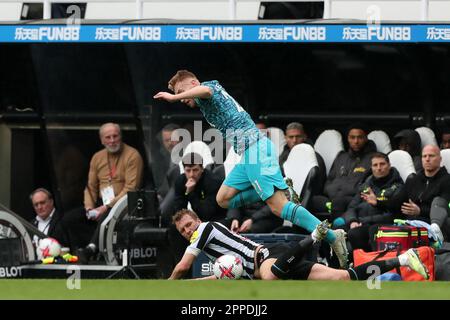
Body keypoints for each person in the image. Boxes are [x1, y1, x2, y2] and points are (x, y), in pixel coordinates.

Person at [154, 69, 349, 268]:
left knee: (278, 207)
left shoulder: (208, 87)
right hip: (247, 156)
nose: (180, 98)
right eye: (177, 94)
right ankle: (283, 188)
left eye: (181, 91)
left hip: (256, 149)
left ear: (193, 83)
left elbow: (204, 90)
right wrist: (179, 93)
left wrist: (173, 96)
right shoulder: (205, 98)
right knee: (223, 199)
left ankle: (333, 236)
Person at [168, 209, 429, 281]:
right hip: (283, 262)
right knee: (343, 279)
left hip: (269, 256)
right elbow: (214, 279)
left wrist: (166, 287)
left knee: (268, 277)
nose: (187, 231)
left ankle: (312, 238)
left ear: (197, 221)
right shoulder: (215, 248)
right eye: (182, 230)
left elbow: (182, 266)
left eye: (188, 225)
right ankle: (405, 259)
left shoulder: (204, 229)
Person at [64, 123, 144, 261]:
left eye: (115, 136)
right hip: (101, 204)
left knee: (106, 216)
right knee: (70, 219)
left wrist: (105, 207)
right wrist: (89, 208)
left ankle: (92, 248)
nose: (112, 140)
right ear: (102, 140)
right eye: (108, 137)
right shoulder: (97, 157)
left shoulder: (133, 155)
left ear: (121, 136)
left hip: (124, 205)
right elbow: (91, 186)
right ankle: (79, 252)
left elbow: (131, 188)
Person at [336, 153, 404, 253]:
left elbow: (393, 215)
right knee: (331, 234)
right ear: (371, 167)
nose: (379, 168)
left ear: (389, 165)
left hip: (378, 225)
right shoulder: (366, 185)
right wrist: (352, 221)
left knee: (355, 234)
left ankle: (362, 265)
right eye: (375, 165)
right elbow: (351, 207)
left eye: (382, 164)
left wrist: (363, 221)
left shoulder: (398, 187)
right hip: (358, 222)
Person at [311, 123, 376, 219]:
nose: (356, 141)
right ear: (348, 139)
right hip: (332, 199)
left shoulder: (374, 158)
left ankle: (336, 232)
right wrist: (331, 191)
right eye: (352, 137)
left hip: (355, 200)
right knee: (311, 200)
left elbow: (372, 184)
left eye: (360, 137)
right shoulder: (341, 156)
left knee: (338, 202)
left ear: (366, 138)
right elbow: (330, 180)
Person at [396, 144, 450, 244]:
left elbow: (444, 208)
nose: (427, 159)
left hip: (433, 225)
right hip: (409, 222)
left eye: (431, 156)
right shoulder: (413, 179)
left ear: (440, 159)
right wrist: (377, 202)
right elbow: (398, 201)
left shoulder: (447, 180)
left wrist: (420, 211)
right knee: (375, 229)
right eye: (424, 156)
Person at [278, 122, 326, 189]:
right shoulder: (282, 156)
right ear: (286, 138)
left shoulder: (315, 158)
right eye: (291, 137)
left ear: (304, 137)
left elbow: (318, 186)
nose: (294, 140)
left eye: (298, 136)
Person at [152, 123, 181, 200]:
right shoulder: (160, 160)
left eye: (172, 139)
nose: (170, 143)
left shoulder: (189, 157)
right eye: (166, 140)